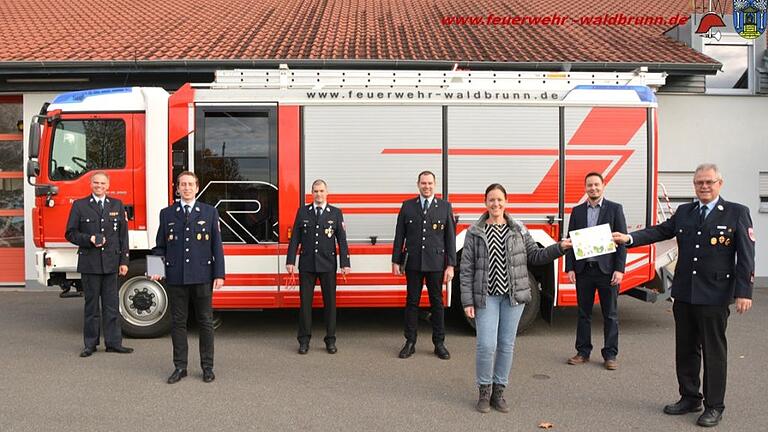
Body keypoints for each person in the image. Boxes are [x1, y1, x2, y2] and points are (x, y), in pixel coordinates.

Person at [613, 163, 754, 427]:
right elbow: (659, 231)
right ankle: (690, 397)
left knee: (714, 352)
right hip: (685, 293)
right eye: (699, 182)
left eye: (709, 182)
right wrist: (629, 239)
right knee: (686, 349)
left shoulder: (736, 213)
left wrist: (743, 291)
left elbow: (746, 256)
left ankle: (714, 406)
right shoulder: (685, 211)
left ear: (719, 183)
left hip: (715, 295)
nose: (704, 186)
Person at [461, 183, 571, 413]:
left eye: (500, 199)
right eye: (491, 200)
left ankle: (499, 392)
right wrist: (467, 301)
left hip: (514, 297)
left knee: (506, 345)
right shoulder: (474, 232)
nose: (496, 204)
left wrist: (559, 247)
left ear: (506, 202)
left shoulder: (518, 229)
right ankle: (484, 391)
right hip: (486, 297)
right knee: (485, 345)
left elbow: (536, 255)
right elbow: (467, 269)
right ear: (485, 203)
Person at [150, 171, 225, 384]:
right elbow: (159, 246)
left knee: (205, 322)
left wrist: (219, 274)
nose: (186, 188)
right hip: (176, 277)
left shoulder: (209, 212)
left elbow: (216, 247)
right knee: (178, 323)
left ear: (197, 187)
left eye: (190, 184)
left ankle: (207, 367)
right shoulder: (167, 214)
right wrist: (156, 268)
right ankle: (180, 367)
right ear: (177, 188)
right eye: (182, 184)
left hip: (202, 276)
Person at [65, 171, 133, 357]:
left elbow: (123, 237)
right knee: (91, 307)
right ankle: (90, 344)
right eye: (96, 183)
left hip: (111, 264)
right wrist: (90, 238)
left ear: (108, 185)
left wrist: (124, 261)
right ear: (90, 184)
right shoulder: (80, 205)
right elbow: (70, 234)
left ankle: (113, 343)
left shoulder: (117, 205)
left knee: (112, 306)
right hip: (90, 264)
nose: (99, 186)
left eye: (103, 183)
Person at [565, 172, 627, 370]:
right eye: (589, 185)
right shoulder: (577, 212)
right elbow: (570, 242)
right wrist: (570, 268)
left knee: (610, 314)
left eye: (596, 185)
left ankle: (610, 355)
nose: (593, 188)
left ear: (603, 186)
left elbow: (621, 242)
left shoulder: (615, 209)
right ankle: (583, 352)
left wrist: (619, 269)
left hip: (607, 271)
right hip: (584, 271)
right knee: (584, 314)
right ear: (585, 188)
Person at [392, 170, 456, 360]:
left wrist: (451, 265)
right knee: (412, 302)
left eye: (430, 183)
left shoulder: (445, 207)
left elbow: (450, 238)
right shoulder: (407, 206)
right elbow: (399, 236)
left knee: (437, 303)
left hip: (436, 263)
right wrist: (396, 260)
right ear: (418, 184)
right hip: (413, 263)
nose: (426, 186)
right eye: (423, 183)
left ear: (434, 185)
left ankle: (439, 343)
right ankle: (410, 342)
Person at [286, 179, 351, 354]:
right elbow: (295, 240)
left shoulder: (336, 213)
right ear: (311, 193)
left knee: (330, 304)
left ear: (327, 192)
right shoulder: (303, 212)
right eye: (315, 191)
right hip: (307, 264)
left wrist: (345, 263)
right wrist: (290, 261)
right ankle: (304, 340)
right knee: (305, 304)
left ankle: (330, 340)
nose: (318, 194)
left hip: (328, 264)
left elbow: (342, 240)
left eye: (321, 191)